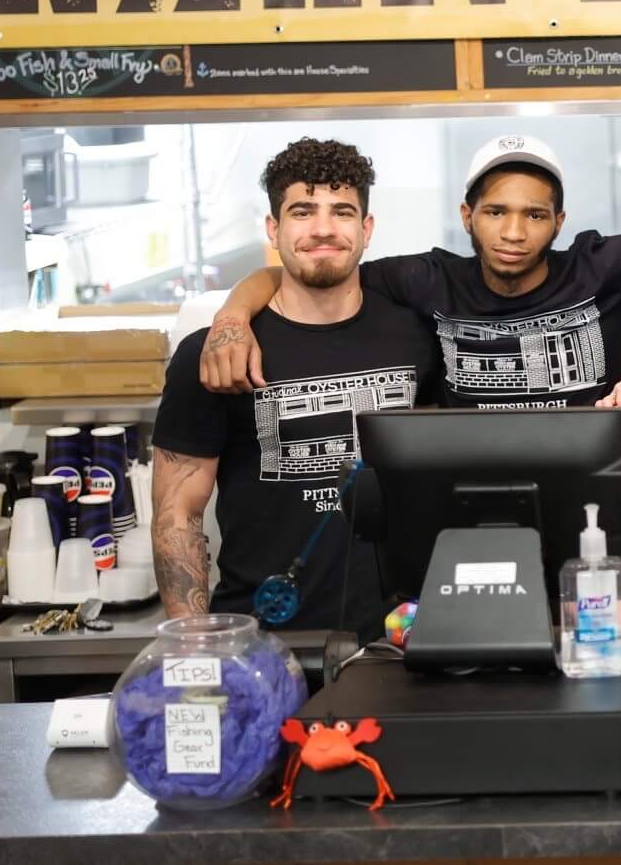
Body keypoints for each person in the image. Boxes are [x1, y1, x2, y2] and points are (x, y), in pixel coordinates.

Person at [153, 139, 439, 633]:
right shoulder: (216, 353)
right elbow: (177, 513)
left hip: (399, 642)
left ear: (366, 229)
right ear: (274, 228)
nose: (323, 228)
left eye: (342, 211)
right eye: (302, 211)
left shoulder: (419, 334)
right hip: (262, 641)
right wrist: (197, 647)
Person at [202, 134, 621, 408]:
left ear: (559, 223)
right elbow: (315, 265)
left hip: (593, 498)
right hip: (473, 508)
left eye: (534, 215)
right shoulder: (430, 281)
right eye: (495, 212)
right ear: (467, 216)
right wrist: (232, 318)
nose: (513, 233)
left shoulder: (600, 266)